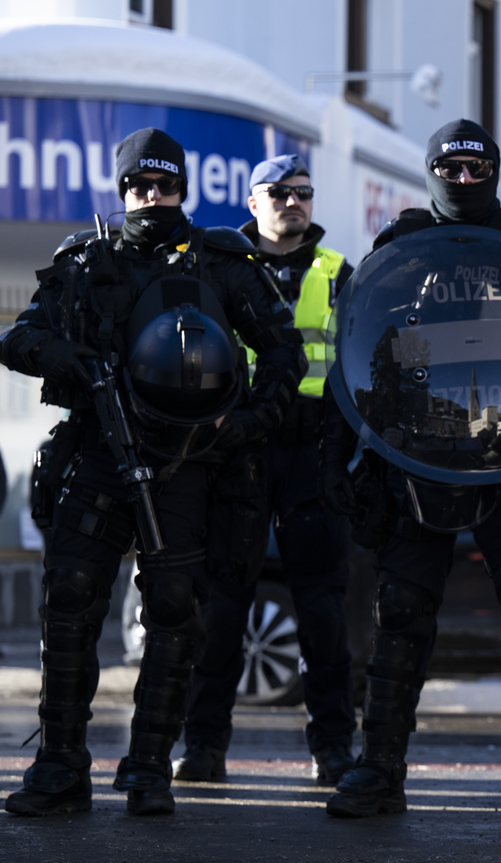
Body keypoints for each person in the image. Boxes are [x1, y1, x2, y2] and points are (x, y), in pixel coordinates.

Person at [1, 128, 305, 817]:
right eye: (140, 186)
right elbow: (16, 337)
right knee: (70, 606)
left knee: (174, 614)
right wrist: (65, 359)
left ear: (183, 191)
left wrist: (250, 420)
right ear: (122, 189)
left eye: (165, 186)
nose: (152, 197)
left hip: (189, 465)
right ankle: (59, 767)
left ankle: (147, 769)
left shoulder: (221, 261)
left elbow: (284, 351)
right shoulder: (84, 259)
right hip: (102, 455)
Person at [320, 118, 501, 823]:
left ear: (496, 175)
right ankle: (378, 768)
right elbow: (364, 351)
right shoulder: (397, 249)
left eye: (478, 171)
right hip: (421, 452)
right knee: (402, 613)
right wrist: (350, 444)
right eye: (451, 169)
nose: (465, 182)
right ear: (431, 173)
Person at [172, 154, 357, 786]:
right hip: (237, 448)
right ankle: (203, 746)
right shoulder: (219, 266)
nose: (292, 202)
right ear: (252, 203)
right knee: (222, 606)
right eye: (278, 192)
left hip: (314, 451)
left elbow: (365, 365)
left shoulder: (340, 274)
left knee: (324, 612)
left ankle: (333, 749)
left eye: (303, 192)